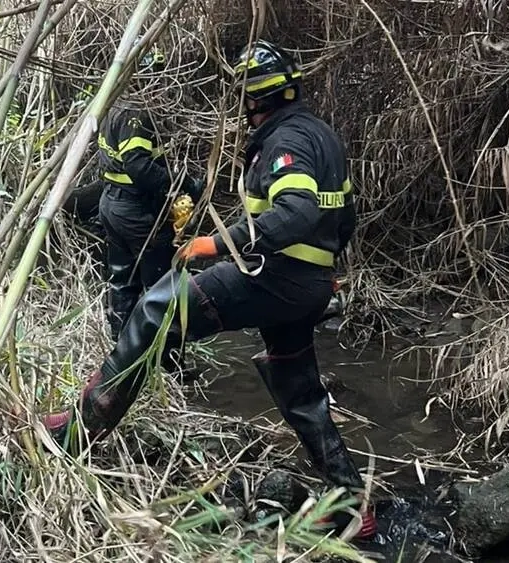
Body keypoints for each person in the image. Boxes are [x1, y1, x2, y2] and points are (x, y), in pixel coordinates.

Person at [43, 39, 376, 539]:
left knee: (157, 307)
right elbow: (343, 215)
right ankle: (350, 503)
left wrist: (216, 245)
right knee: (297, 387)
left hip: (276, 275)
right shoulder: (320, 134)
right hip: (305, 284)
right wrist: (325, 270)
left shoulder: (285, 143)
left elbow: (299, 212)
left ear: (254, 98)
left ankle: (78, 431)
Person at [96, 39, 203, 340]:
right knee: (163, 286)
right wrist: (183, 185)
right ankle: (167, 363)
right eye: (157, 74)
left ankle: (121, 354)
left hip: (112, 206)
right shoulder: (138, 112)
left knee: (123, 282)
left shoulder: (114, 105)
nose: (162, 83)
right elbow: (139, 167)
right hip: (137, 213)